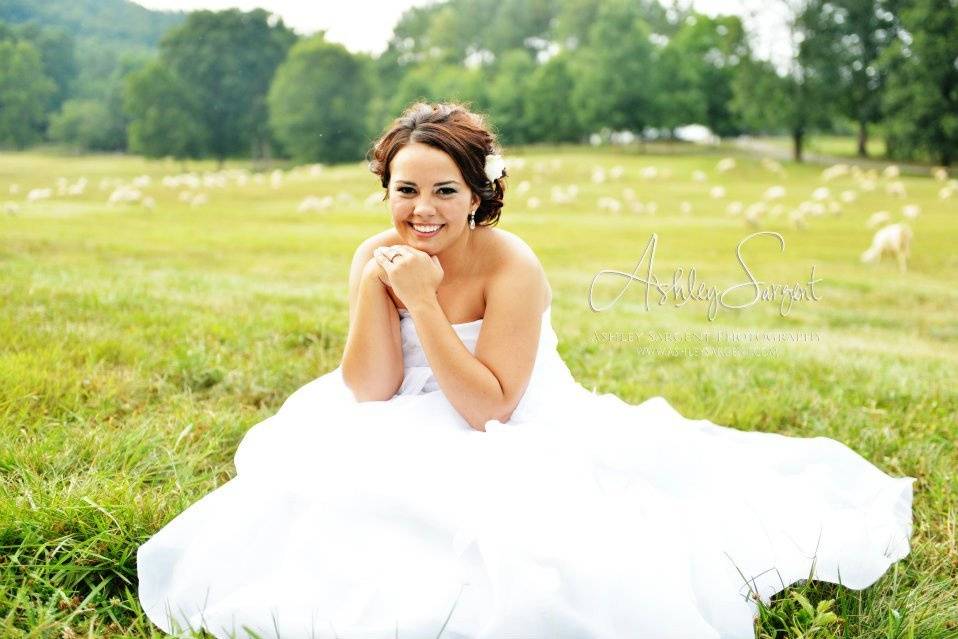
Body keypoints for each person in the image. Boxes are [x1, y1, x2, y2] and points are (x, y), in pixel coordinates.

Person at [137, 102, 915, 639]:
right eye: (405, 190)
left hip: (507, 420)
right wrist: (379, 290)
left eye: (445, 190)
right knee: (326, 494)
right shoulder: (376, 254)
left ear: (479, 195)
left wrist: (427, 303)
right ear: (386, 191)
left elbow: (490, 411)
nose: (423, 209)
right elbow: (369, 388)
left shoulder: (515, 267)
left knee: (535, 543)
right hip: (402, 408)